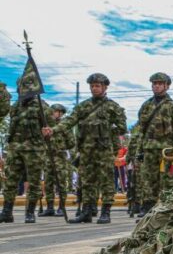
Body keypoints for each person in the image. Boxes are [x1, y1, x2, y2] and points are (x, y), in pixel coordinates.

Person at [43, 73, 127, 224]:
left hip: (104, 149)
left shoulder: (112, 107)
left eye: (98, 86)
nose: (94, 88)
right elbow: (69, 121)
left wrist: (106, 131)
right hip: (86, 151)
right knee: (87, 181)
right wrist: (53, 130)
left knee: (106, 180)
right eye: (92, 86)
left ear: (105, 87)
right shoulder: (83, 106)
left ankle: (105, 212)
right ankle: (86, 212)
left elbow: (122, 128)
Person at [0, 76, 51, 223]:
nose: (22, 89)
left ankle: (30, 212)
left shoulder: (42, 106)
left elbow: (51, 127)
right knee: (10, 181)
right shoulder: (15, 106)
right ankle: (7, 212)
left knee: (34, 182)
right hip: (15, 148)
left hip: (34, 150)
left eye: (26, 86)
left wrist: (49, 130)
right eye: (20, 86)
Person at [134, 73, 173, 217]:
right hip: (149, 148)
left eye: (159, 83)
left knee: (167, 181)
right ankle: (148, 208)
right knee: (148, 179)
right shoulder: (146, 106)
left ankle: (168, 209)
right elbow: (141, 131)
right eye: (154, 83)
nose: (156, 86)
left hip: (166, 150)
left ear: (167, 86)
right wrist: (139, 151)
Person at [40, 104, 75, 217]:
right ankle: (50, 207)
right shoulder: (45, 126)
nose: (58, 114)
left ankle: (61, 207)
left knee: (60, 182)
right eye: (55, 111)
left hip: (60, 156)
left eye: (60, 112)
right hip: (47, 156)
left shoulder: (65, 126)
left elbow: (71, 142)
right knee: (48, 182)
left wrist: (61, 146)